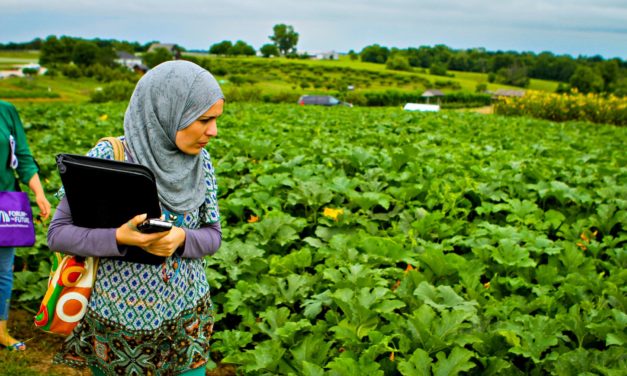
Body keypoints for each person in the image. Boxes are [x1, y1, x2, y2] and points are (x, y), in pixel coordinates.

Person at [47, 60, 224, 375]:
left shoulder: (201, 161)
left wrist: (181, 239)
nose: (213, 131)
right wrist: (119, 238)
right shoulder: (109, 157)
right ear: (167, 111)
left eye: (215, 120)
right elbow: (58, 234)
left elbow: (213, 235)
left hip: (185, 318)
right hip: (116, 323)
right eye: (203, 120)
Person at [0, 100, 51, 351]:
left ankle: (1, 331)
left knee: (3, 270)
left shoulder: (6, 111)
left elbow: (22, 155)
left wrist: (39, 193)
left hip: (4, 203)